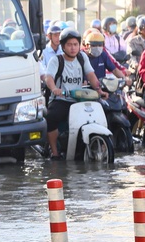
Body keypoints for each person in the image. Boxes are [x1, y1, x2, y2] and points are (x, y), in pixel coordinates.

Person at [44, 28, 106, 160]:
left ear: (79, 45)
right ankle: (54, 152)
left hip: (79, 100)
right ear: (63, 46)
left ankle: (101, 145)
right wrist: (55, 88)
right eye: (69, 45)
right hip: (61, 99)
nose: (73, 48)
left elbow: (90, 74)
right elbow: (48, 77)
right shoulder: (56, 60)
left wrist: (99, 90)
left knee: (102, 111)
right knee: (51, 117)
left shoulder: (82, 57)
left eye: (75, 44)